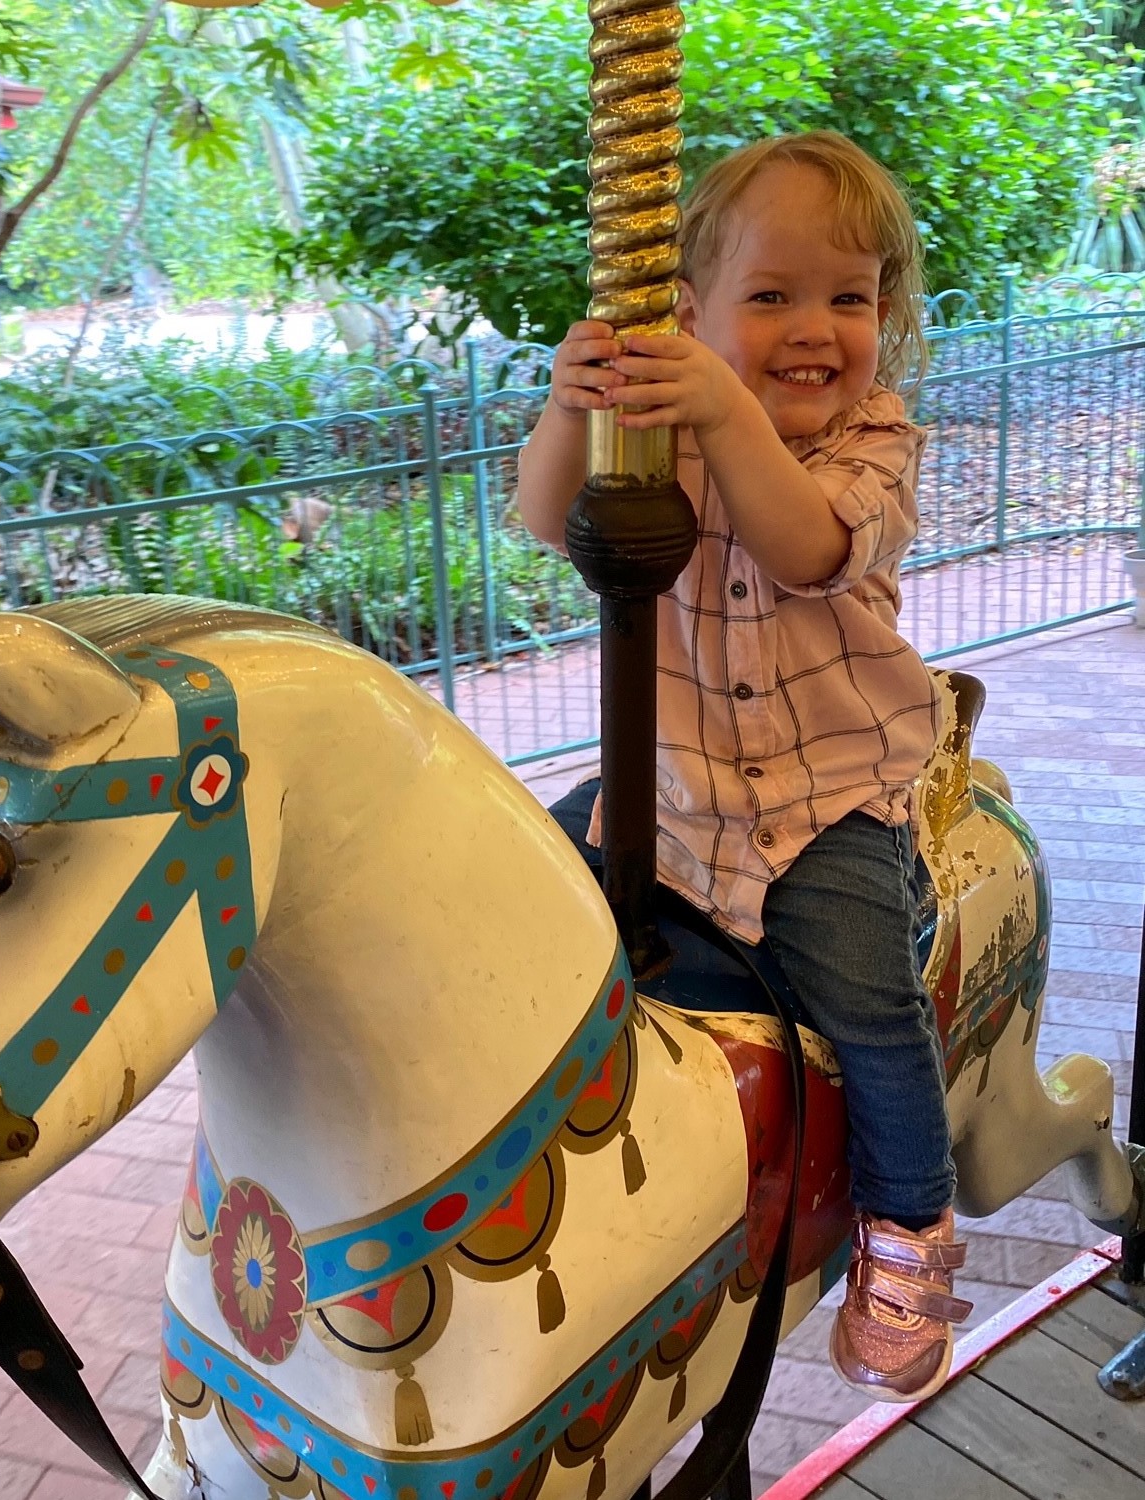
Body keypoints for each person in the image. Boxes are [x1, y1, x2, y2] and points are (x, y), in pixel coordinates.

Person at [516, 131, 970, 1402]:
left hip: (825, 807)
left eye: (850, 296)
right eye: (769, 296)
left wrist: (718, 408)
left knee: (868, 999)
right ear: (690, 314)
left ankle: (908, 1231)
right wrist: (572, 401)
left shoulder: (872, 445)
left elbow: (809, 547)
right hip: (665, 790)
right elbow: (550, 518)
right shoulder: (655, 437)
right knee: (499, 896)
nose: (815, 327)